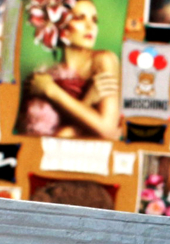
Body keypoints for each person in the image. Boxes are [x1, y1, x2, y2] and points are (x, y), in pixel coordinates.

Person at [19, 0, 120, 139]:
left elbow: (108, 131)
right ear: (59, 25)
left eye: (94, 20)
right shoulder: (44, 77)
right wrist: (88, 100)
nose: (90, 26)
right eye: (79, 18)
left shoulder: (103, 60)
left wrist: (51, 91)